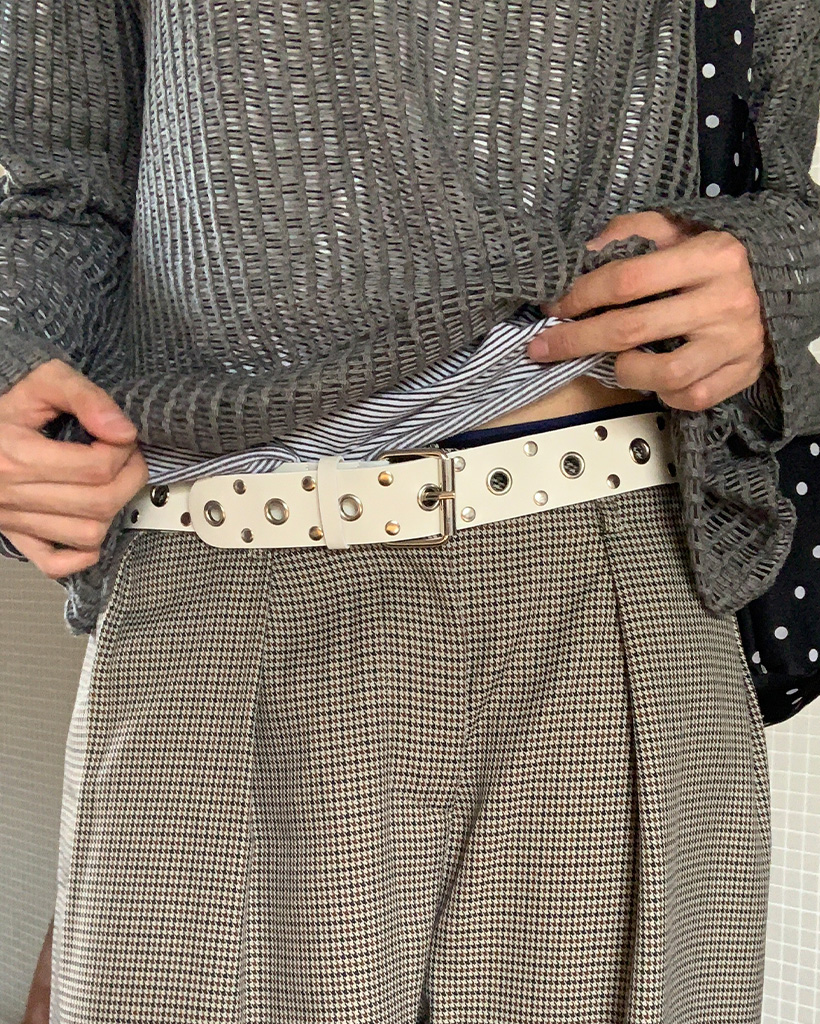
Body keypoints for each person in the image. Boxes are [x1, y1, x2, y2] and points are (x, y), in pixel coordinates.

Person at [2, 0, 819, 1020]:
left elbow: (772, 168)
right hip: (229, 570)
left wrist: (772, 273)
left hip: (617, 565)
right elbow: (58, 187)